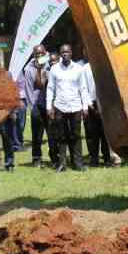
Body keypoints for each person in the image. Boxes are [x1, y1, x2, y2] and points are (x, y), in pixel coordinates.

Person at [46, 44, 88, 172]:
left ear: (71, 53)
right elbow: (50, 88)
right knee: (61, 136)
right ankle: (62, 163)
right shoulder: (54, 69)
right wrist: (49, 106)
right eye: (62, 52)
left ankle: (78, 163)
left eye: (67, 52)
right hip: (60, 107)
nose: (65, 54)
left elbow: (83, 88)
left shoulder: (78, 69)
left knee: (75, 136)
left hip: (75, 106)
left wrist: (85, 106)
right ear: (60, 55)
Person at [22, 45, 56, 167]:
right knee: (37, 135)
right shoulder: (29, 69)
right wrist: (33, 107)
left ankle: (54, 157)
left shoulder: (51, 65)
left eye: (42, 53)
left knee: (52, 134)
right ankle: (36, 158)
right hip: (37, 105)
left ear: (46, 53)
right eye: (37, 54)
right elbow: (30, 89)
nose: (40, 56)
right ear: (34, 55)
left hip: (50, 106)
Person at [81, 60, 112, 167]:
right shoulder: (85, 68)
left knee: (105, 133)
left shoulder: (105, 64)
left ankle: (107, 158)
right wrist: (89, 104)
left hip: (105, 102)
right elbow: (84, 88)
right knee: (92, 134)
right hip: (92, 103)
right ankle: (94, 159)